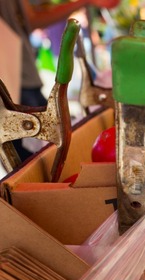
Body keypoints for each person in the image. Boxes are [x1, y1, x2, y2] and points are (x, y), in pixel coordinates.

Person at [0, 0, 119, 161]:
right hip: (13, 81)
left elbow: (31, 19)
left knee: (50, 154)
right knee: (36, 163)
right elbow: (31, 19)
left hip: (23, 76)